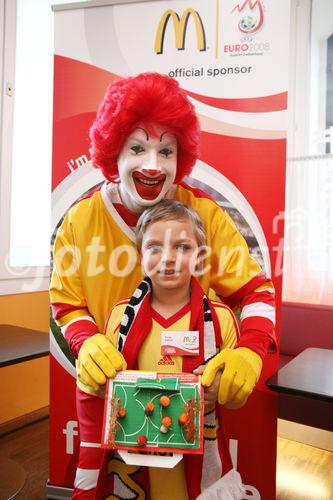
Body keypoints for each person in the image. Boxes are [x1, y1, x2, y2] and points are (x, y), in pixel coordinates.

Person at [49, 72, 276, 495]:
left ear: (180, 157)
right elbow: (66, 302)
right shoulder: (79, 221)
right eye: (137, 147)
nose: (153, 164)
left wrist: (249, 351)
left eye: (165, 150)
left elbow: (257, 290)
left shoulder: (203, 213)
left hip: (189, 418)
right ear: (112, 150)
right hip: (115, 409)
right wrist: (88, 343)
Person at [75, 199, 245, 499]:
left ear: (200, 256)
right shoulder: (119, 317)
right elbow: (103, 392)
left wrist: (223, 391)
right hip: (134, 465)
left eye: (182, 247)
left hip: (198, 464)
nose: (168, 258)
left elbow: (234, 402)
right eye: (154, 247)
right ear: (140, 255)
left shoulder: (221, 320)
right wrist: (103, 386)